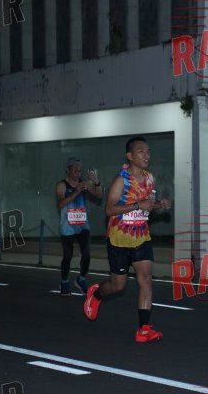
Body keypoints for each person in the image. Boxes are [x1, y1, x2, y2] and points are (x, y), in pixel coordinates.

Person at [83, 136, 172, 343]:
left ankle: (144, 330)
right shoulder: (121, 180)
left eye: (148, 151)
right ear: (130, 156)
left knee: (146, 279)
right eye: (141, 151)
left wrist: (159, 204)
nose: (146, 155)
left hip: (141, 236)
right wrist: (138, 205)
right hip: (119, 238)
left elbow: (147, 204)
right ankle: (96, 294)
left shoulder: (150, 179)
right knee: (118, 286)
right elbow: (109, 209)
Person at [55, 157, 103, 295]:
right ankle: (64, 281)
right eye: (75, 170)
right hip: (67, 226)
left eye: (80, 170)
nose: (78, 172)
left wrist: (96, 182)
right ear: (68, 170)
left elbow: (99, 196)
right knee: (68, 256)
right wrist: (76, 191)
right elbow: (60, 204)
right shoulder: (61, 185)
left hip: (82, 225)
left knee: (86, 255)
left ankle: (81, 279)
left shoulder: (84, 183)